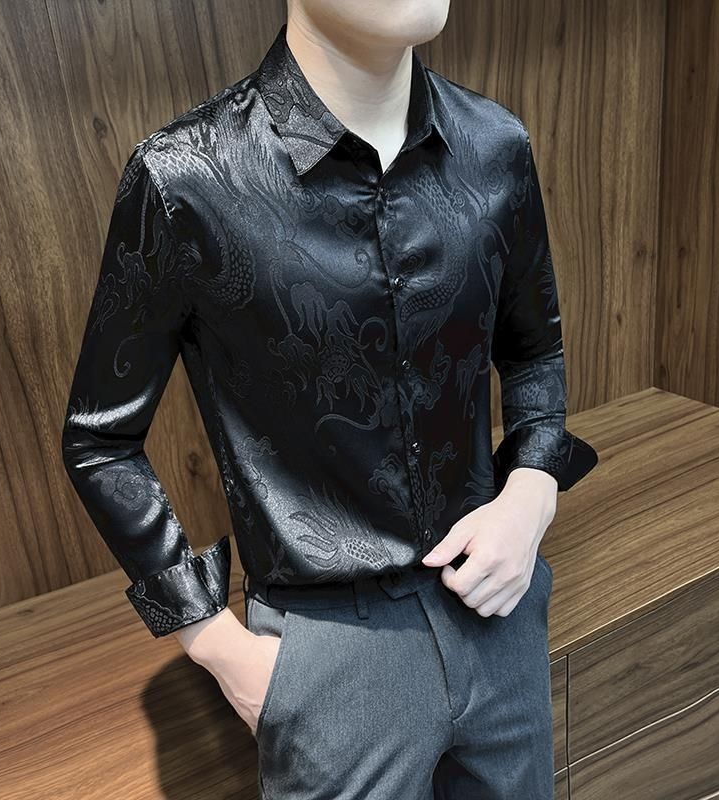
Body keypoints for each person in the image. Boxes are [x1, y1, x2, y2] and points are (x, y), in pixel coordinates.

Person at [61, 1, 598, 797]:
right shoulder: (185, 180)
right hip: (326, 658)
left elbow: (533, 352)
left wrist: (531, 495)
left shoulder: (496, 147)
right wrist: (220, 648)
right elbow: (99, 440)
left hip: (497, 615)